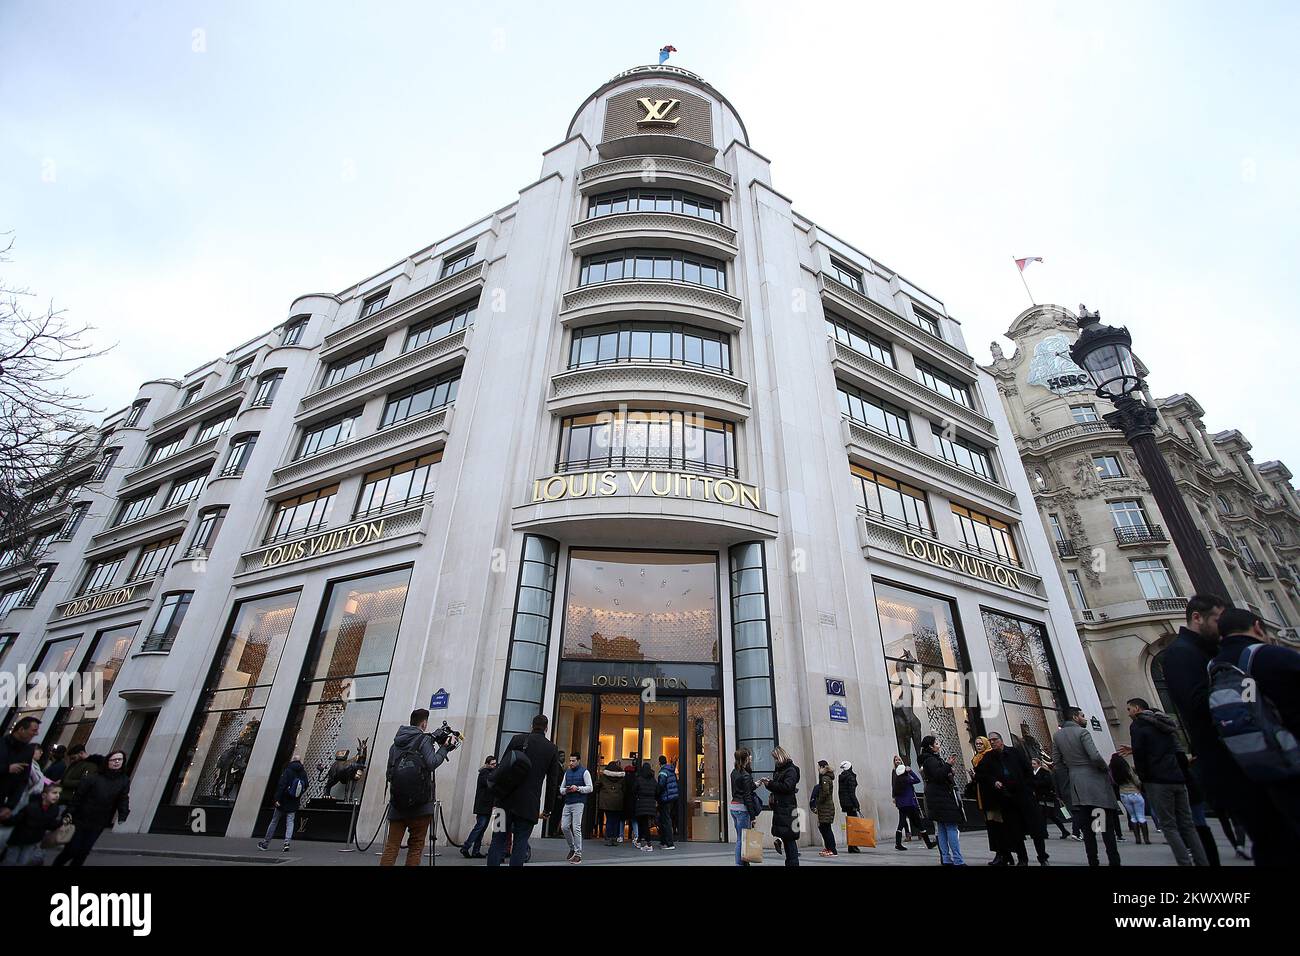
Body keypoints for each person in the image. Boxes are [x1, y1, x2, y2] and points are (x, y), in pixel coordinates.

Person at [1158, 594, 1297, 866]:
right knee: (1276, 842)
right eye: (1217, 620)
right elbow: (1197, 706)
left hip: (1250, 761)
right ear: (1197, 617)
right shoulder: (1183, 653)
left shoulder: (1212, 653)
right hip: (1233, 765)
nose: (1222, 628)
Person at [1210, 607, 1300, 844]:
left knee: (1272, 843)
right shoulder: (1272, 655)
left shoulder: (1214, 667)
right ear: (1258, 627)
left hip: (1250, 766)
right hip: (1291, 759)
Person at [1123, 698, 1208, 865]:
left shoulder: (1138, 726)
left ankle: (1184, 862)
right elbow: (1173, 750)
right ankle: (1202, 861)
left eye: (1129, 709)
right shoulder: (1165, 725)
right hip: (1177, 777)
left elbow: (1141, 756)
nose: (1128, 712)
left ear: (1137, 708)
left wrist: (1142, 778)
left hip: (1157, 780)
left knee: (1169, 826)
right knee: (1188, 824)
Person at [380, 709, 454, 867]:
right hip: (421, 804)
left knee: (391, 847)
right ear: (424, 723)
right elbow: (432, 763)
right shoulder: (424, 740)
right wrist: (444, 749)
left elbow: (389, 773)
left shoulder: (395, 744)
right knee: (415, 847)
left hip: (397, 804)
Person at [487, 714, 561, 867]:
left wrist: (495, 799)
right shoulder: (551, 749)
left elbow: (502, 769)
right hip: (528, 806)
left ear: (531, 726)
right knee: (520, 843)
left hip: (503, 802)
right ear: (546, 728)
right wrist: (548, 809)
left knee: (497, 840)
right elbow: (552, 783)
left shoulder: (517, 740)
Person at [1052, 707, 1121, 866]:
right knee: (1104, 827)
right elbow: (1095, 756)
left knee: (1088, 830)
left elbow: (1057, 762)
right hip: (1095, 786)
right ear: (1075, 717)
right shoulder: (1082, 733)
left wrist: (1071, 774)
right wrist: (1104, 768)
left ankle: (1093, 860)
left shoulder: (1058, 736)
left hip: (1078, 788)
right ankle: (1113, 860)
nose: (1085, 718)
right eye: (1083, 715)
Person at [978, 733, 1047, 865]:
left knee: (1036, 829)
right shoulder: (989, 757)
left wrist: (1029, 787)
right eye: (990, 740)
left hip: (1023, 794)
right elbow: (982, 774)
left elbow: (1027, 770)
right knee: (1015, 830)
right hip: (1007, 797)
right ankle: (1022, 858)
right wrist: (994, 781)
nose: (992, 743)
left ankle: (1042, 856)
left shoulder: (1014, 753)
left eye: (995, 740)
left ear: (1001, 741)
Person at [53, 749, 130, 867]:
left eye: (120, 760)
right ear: (107, 761)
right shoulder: (93, 778)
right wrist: (69, 813)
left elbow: (123, 798)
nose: (117, 762)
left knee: (83, 852)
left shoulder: (123, 780)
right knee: (72, 849)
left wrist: (123, 814)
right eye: (114, 759)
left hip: (99, 821)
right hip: (81, 818)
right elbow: (78, 797)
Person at [919, 736, 965, 865]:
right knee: (950, 827)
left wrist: (948, 770)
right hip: (942, 797)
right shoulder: (930, 760)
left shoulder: (929, 760)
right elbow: (938, 776)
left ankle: (946, 858)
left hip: (936, 797)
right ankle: (957, 859)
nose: (938, 745)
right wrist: (948, 764)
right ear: (931, 746)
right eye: (936, 743)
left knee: (942, 828)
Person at [0, 783, 65, 866]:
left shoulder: (54, 809)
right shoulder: (31, 807)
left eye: (59, 793)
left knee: (23, 862)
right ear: (44, 795)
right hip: (18, 839)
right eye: (54, 793)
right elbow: (17, 819)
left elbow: (49, 824)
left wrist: (61, 823)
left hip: (33, 841)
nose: (57, 795)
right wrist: (5, 819)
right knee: (10, 861)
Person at [259, 754, 309, 852]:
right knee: (290, 822)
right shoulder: (303, 772)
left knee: (274, 821)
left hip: (283, 800)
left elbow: (282, 785)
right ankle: (287, 843)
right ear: (300, 761)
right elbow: (306, 785)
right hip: (294, 801)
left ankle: (265, 843)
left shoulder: (288, 770)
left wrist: (277, 799)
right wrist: (298, 794)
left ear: (293, 760)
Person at [760, 746, 800, 867]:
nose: (775, 761)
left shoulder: (790, 770)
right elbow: (779, 786)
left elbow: (787, 787)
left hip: (787, 808)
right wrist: (769, 784)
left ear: (781, 757)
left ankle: (792, 863)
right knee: (787, 837)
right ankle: (790, 861)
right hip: (781, 807)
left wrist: (771, 784)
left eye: (776, 758)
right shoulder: (780, 770)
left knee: (790, 839)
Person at [890, 755, 932, 851]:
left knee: (901, 823)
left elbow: (894, 789)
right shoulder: (907, 780)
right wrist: (911, 771)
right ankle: (928, 843)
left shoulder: (897, 781)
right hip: (910, 804)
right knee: (919, 822)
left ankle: (898, 843)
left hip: (901, 805)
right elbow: (917, 780)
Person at [559, 751, 593, 864]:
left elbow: (590, 788)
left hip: (579, 802)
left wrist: (577, 788)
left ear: (578, 761)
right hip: (568, 802)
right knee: (564, 827)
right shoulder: (567, 773)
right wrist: (567, 790)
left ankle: (578, 854)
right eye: (570, 760)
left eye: (573, 761)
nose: (571, 763)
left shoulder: (585, 772)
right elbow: (561, 789)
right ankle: (572, 847)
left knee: (576, 827)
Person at [461, 754, 496, 859]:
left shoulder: (489, 773)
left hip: (487, 805)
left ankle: (476, 850)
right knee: (479, 827)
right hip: (483, 805)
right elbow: (489, 784)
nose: (494, 765)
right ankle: (466, 846)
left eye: (495, 763)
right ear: (487, 764)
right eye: (492, 764)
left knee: (481, 829)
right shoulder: (484, 773)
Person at [1109, 752, 1148, 845]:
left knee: (1133, 817)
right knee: (1141, 816)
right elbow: (1137, 781)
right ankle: (1146, 838)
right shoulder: (1127, 769)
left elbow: (1114, 782)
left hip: (1123, 794)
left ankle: (1137, 838)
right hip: (1134, 792)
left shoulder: (1113, 772)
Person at [729, 748, 757, 866]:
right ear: (745, 758)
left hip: (734, 807)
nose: (751, 757)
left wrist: (755, 784)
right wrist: (753, 815)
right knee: (742, 839)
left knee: (741, 838)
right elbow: (747, 796)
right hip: (742, 809)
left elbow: (741, 790)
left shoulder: (734, 772)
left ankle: (743, 863)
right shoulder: (745, 775)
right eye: (749, 756)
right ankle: (739, 864)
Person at [1030, 757, 1070, 839]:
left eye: (1034, 764)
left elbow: (1047, 783)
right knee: (1044, 816)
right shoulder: (1033, 773)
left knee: (1050, 815)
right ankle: (1046, 833)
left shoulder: (1044, 772)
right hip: (1040, 797)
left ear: (1039, 764)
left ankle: (1063, 831)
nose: (1033, 765)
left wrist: (1035, 783)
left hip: (1046, 796)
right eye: (1032, 764)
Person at [58, 746, 96, 813]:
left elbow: (85, 782)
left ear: (81, 753)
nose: (72, 760)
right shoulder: (75, 764)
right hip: (62, 797)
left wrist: (64, 782)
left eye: (73, 758)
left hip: (70, 800)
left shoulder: (90, 765)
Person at [597, 759, 625, 847]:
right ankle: (614, 838)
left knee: (609, 819)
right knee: (616, 820)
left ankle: (608, 838)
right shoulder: (622, 777)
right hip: (618, 801)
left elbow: (597, 785)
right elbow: (624, 788)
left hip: (606, 801)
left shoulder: (603, 777)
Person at [632, 761, 658, 852]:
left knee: (643, 824)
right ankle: (639, 840)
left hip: (641, 804)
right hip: (650, 804)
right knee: (645, 823)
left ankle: (648, 844)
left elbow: (634, 790)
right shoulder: (653, 780)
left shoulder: (639, 779)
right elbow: (657, 790)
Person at [838, 760, 863, 853]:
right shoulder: (851, 777)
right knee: (854, 825)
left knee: (850, 825)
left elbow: (840, 792)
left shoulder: (841, 777)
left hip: (845, 803)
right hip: (851, 804)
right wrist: (857, 804)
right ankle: (853, 846)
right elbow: (852, 793)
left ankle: (851, 846)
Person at [814, 760, 838, 856]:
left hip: (825, 807)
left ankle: (832, 849)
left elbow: (825, 792)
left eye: (819, 767)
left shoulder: (825, 778)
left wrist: (818, 801)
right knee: (824, 828)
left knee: (826, 828)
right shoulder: (826, 777)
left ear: (823, 767)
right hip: (825, 807)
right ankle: (829, 848)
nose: (818, 769)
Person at [655, 755, 678, 850]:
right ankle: (665, 841)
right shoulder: (671, 770)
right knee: (666, 820)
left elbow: (661, 785)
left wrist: (656, 795)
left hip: (666, 799)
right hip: (672, 798)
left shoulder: (663, 772)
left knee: (665, 821)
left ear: (659, 763)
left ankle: (669, 843)